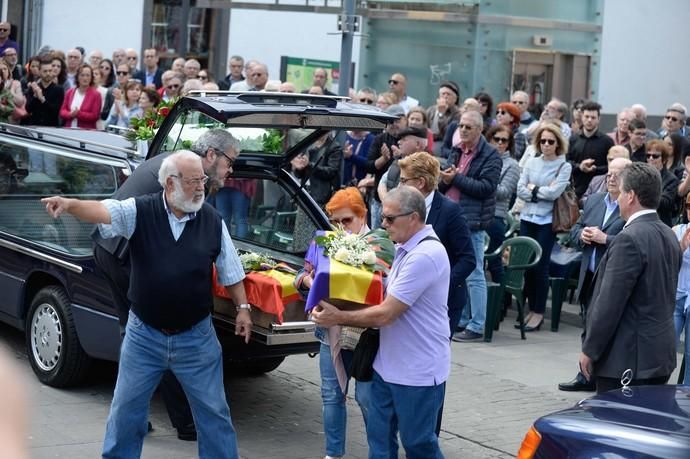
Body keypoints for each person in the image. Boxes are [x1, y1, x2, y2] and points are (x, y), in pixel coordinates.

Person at [42, 150, 250, 458]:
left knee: (214, 414)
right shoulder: (140, 211)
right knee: (126, 412)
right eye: (192, 181)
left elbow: (231, 270)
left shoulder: (212, 221)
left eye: (202, 180)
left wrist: (243, 308)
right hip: (144, 336)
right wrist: (71, 205)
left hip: (196, 338)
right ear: (169, 184)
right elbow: (103, 211)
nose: (200, 187)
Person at [91, 130, 240, 443]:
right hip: (119, 251)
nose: (230, 171)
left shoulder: (182, 166)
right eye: (230, 162)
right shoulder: (190, 176)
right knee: (163, 320)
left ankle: (137, 412)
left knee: (137, 327)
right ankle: (183, 422)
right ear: (211, 155)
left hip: (109, 247)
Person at [312, 186, 450, 459]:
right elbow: (380, 298)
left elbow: (386, 312)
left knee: (418, 445)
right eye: (383, 217)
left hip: (417, 372)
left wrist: (338, 316)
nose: (383, 223)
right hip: (388, 366)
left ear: (413, 217)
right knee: (379, 443)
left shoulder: (424, 255)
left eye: (389, 218)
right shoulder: (404, 248)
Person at [580, 162, 681, 394]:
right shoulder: (668, 233)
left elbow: (609, 303)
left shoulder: (629, 239)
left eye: (622, 192)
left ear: (631, 196)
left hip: (627, 360)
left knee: (616, 425)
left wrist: (590, 350)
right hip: (657, 357)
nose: (617, 199)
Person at [295, 187, 371, 459]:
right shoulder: (324, 241)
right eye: (335, 221)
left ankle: (379, 451)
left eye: (347, 220)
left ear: (362, 215)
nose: (341, 227)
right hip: (329, 330)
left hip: (366, 335)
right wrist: (307, 281)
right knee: (331, 394)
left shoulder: (377, 244)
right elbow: (301, 274)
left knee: (367, 399)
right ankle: (333, 454)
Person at [558, 157, 629, 392]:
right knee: (588, 325)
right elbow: (575, 229)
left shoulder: (630, 207)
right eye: (609, 173)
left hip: (612, 279)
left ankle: (605, 378)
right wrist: (583, 235)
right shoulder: (595, 200)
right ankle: (585, 375)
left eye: (618, 174)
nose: (611, 177)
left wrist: (605, 238)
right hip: (589, 275)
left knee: (606, 328)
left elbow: (635, 241)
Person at [439, 110, 501, 341]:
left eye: (468, 127)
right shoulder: (456, 151)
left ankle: (477, 325)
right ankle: (462, 319)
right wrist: (445, 179)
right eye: (460, 126)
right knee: (457, 272)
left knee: (475, 274)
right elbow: (445, 182)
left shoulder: (491, 155)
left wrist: (454, 178)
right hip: (452, 218)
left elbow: (485, 187)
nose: (462, 130)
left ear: (479, 130)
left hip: (472, 222)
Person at [398, 152, 475, 337]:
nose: (399, 186)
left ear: (420, 182)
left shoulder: (450, 211)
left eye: (404, 180)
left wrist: (440, 284)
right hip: (410, 297)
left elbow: (468, 259)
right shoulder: (404, 206)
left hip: (444, 302)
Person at [515, 123, 571, 332]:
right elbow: (520, 189)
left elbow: (554, 193)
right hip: (527, 217)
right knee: (527, 265)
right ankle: (529, 310)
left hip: (546, 222)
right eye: (543, 141)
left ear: (558, 143)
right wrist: (540, 190)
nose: (546, 145)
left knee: (541, 266)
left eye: (551, 141)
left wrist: (533, 189)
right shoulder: (532, 161)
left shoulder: (563, 166)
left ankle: (538, 312)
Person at [484, 125, 519, 286]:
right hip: (478, 215)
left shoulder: (512, 164)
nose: (499, 143)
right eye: (495, 139)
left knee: (494, 263)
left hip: (496, 217)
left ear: (509, 143)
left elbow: (505, 192)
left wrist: (483, 184)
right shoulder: (483, 158)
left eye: (503, 140)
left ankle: (501, 303)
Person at [567, 101, 614, 199]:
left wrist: (595, 169)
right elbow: (565, 163)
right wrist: (580, 167)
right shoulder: (573, 139)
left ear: (598, 119)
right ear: (582, 117)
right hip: (575, 191)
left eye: (593, 117)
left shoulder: (607, 141)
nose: (589, 120)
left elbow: (611, 166)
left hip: (598, 192)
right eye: (587, 116)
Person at [672, 193, 690, 385]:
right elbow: (663, 263)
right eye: (689, 205)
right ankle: (656, 394)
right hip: (676, 298)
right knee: (666, 349)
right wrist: (680, 248)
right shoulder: (677, 230)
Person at [645, 139, 680, 227]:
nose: (651, 158)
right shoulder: (642, 176)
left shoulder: (671, 179)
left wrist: (645, 192)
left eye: (655, 156)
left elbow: (666, 203)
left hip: (660, 223)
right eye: (648, 155)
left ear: (664, 160)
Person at [24, 57, 64, 127]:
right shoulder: (34, 87)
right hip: (34, 126)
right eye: (45, 71)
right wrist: (35, 96)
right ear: (39, 72)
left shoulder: (59, 89)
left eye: (50, 71)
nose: (48, 73)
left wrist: (42, 99)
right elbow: (28, 109)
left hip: (51, 128)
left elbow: (55, 112)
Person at [59, 64, 102, 129]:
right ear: (77, 77)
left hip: (86, 132)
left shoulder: (96, 95)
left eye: (88, 75)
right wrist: (70, 114)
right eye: (82, 75)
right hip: (69, 129)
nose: (85, 78)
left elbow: (95, 116)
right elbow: (62, 111)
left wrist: (79, 114)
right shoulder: (69, 92)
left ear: (91, 78)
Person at [426, 81, 460, 156]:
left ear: (455, 99)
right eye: (443, 94)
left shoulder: (457, 114)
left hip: (443, 143)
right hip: (427, 140)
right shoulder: (431, 110)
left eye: (448, 94)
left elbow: (448, 134)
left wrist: (441, 114)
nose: (445, 96)